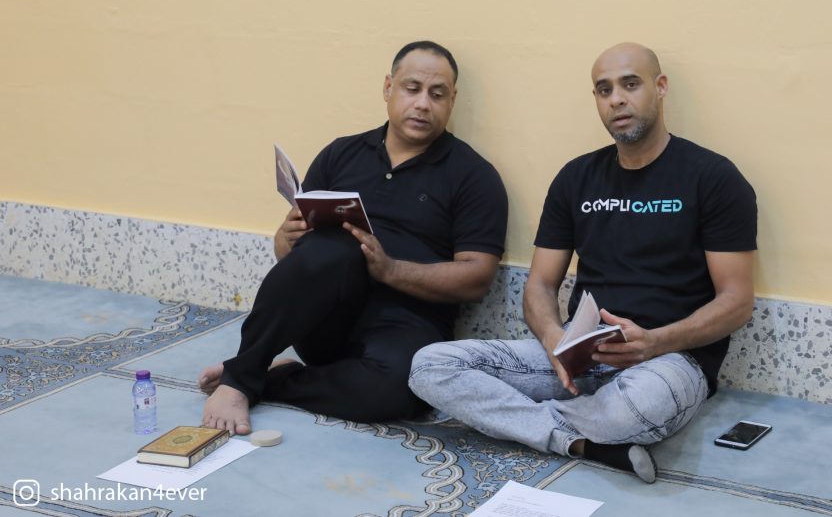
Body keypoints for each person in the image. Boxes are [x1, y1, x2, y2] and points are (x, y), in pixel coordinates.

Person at [409, 42, 756, 483]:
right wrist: (556, 341)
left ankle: (534, 423)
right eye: (604, 90)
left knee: (639, 407)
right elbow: (539, 285)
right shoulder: (576, 178)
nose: (617, 99)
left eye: (630, 84)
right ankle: (581, 441)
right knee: (430, 365)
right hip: (582, 355)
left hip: (670, 360)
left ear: (660, 87)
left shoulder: (714, 178)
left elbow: (736, 301)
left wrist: (654, 342)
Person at [200, 41, 508, 435]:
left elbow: (477, 278)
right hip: (326, 319)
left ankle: (274, 379)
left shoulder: (474, 176)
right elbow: (294, 261)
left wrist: (391, 270)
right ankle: (241, 378)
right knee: (337, 248)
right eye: (412, 88)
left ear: (452, 100)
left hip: (406, 322)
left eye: (437, 94)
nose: (422, 104)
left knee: (395, 393)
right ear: (388, 88)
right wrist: (285, 237)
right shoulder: (341, 154)